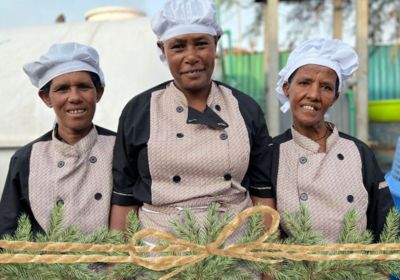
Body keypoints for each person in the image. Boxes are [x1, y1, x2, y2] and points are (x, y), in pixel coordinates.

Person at [109, 0, 273, 244]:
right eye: (178, 47)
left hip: (234, 253)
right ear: (162, 49)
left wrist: (268, 265)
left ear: (216, 44)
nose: (191, 57)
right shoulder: (139, 111)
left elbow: (263, 196)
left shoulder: (245, 108)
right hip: (161, 256)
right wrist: (117, 269)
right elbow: (124, 197)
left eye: (200, 44)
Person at [270, 38, 394, 243]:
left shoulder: (358, 151)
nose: (314, 95)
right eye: (304, 83)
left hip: (356, 271)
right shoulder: (271, 153)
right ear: (286, 88)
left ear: (335, 97)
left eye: (326, 87)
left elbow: (385, 223)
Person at [0, 42, 116, 236]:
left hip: (115, 265)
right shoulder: (26, 159)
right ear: (46, 98)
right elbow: (8, 233)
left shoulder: (121, 149)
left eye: (83, 87)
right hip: (48, 265)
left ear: (99, 92)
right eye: (62, 89)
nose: (74, 97)